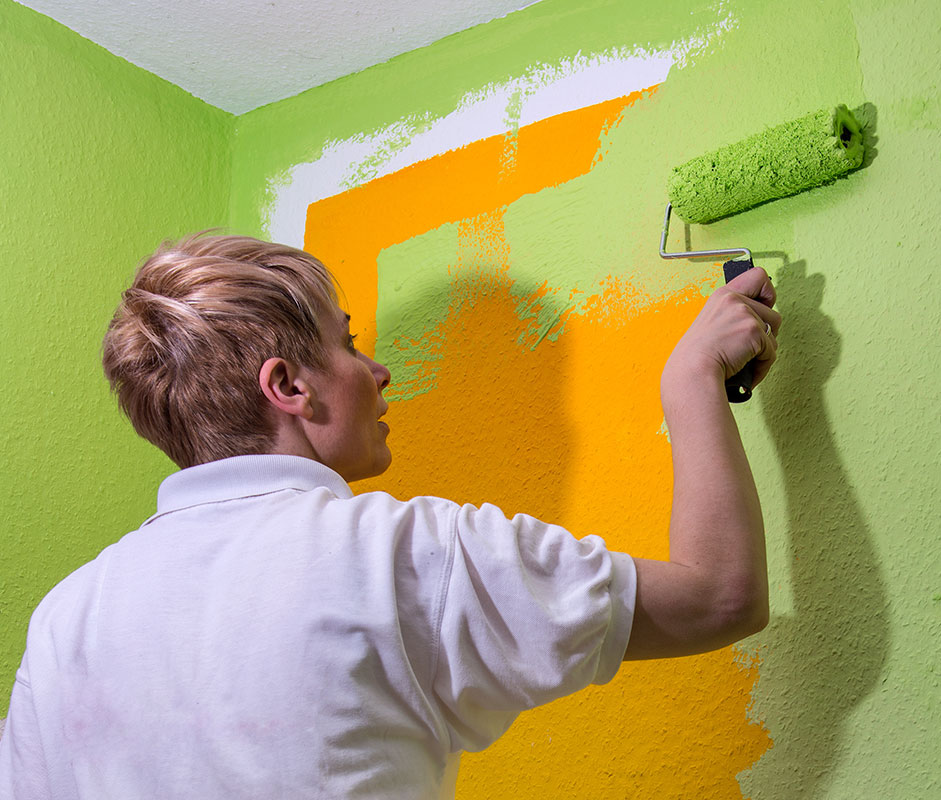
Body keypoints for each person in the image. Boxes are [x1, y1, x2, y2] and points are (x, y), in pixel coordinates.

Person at [0, 233, 780, 798]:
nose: (376, 372)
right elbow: (718, 597)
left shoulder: (66, 615)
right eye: (347, 344)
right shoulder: (398, 554)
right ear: (290, 387)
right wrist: (691, 380)